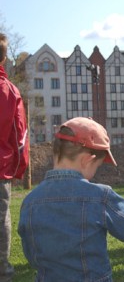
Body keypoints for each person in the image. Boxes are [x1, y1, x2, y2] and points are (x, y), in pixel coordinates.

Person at [18, 117, 124, 281]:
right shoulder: (100, 196)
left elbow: (30, 251)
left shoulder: (30, 201)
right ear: (87, 160)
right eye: (97, 166)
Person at [0, 33, 29, 282]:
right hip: (1, 169)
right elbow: (20, 135)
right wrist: (20, 168)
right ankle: (3, 272)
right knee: (1, 220)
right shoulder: (9, 91)